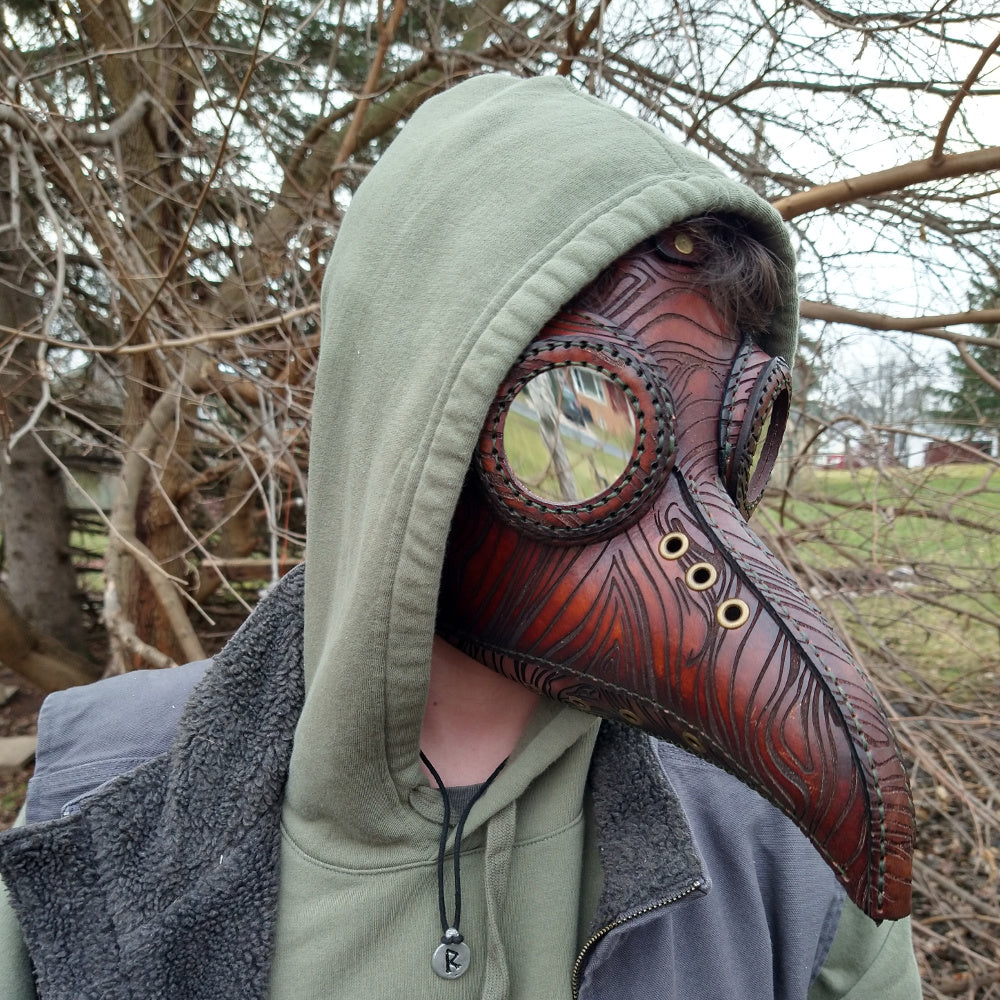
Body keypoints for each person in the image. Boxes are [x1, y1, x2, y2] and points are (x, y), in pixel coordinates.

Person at [0, 74, 922, 999]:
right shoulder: (93, 808)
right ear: (414, 410)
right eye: (568, 418)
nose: (685, 527)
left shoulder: (776, 845)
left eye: (723, 436)